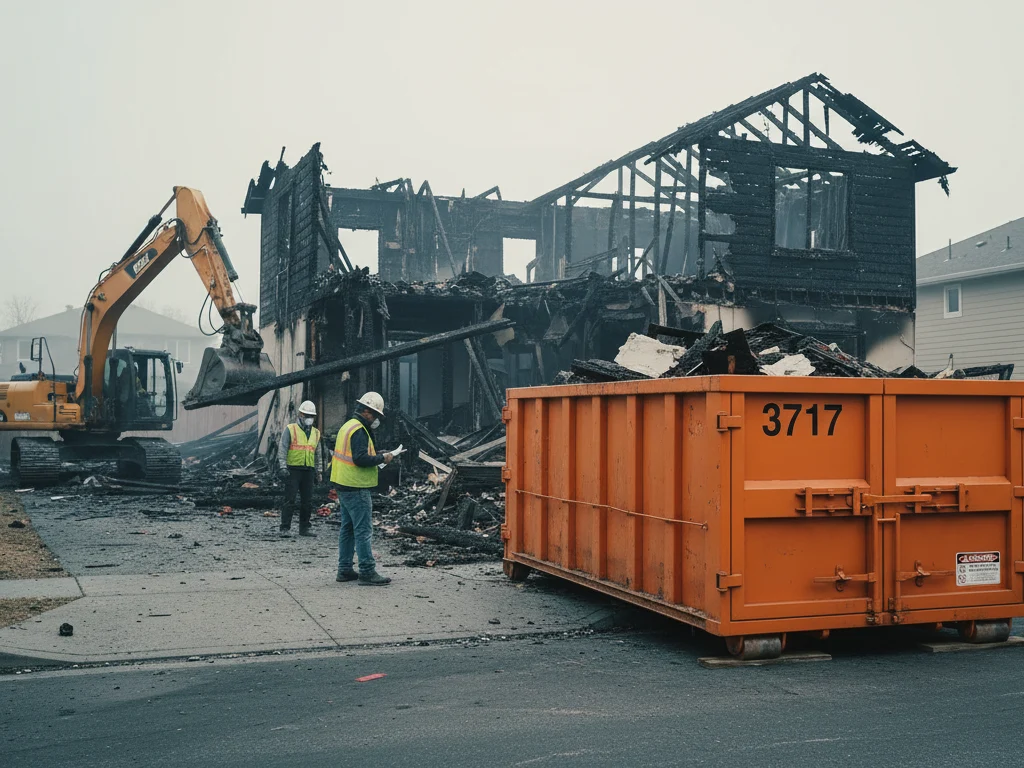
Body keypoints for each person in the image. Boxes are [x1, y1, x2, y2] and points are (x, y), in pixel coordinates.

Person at [330, 391, 394, 586]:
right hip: (356, 486)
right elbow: (359, 458)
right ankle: (367, 571)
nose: (376, 419)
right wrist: (383, 458)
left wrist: (379, 454)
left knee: (348, 529)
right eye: (374, 414)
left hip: (343, 484)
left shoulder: (348, 426)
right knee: (363, 530)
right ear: (366, 411)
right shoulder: (359, 429)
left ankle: (345, 569)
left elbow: (355, 454)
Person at [277, 400, 322, 538]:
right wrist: (283, 466)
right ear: (300, 415)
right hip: (293, 470)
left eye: (311, 416)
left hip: (308, 470)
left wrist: (318, 471)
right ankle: (285, 528)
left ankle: (304, 528)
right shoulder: (290, 429)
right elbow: (283, 448)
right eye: (307, 415)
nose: (309, 418)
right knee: (289, 499)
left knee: (307, 501)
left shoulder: (316, 433)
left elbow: (317, 453)